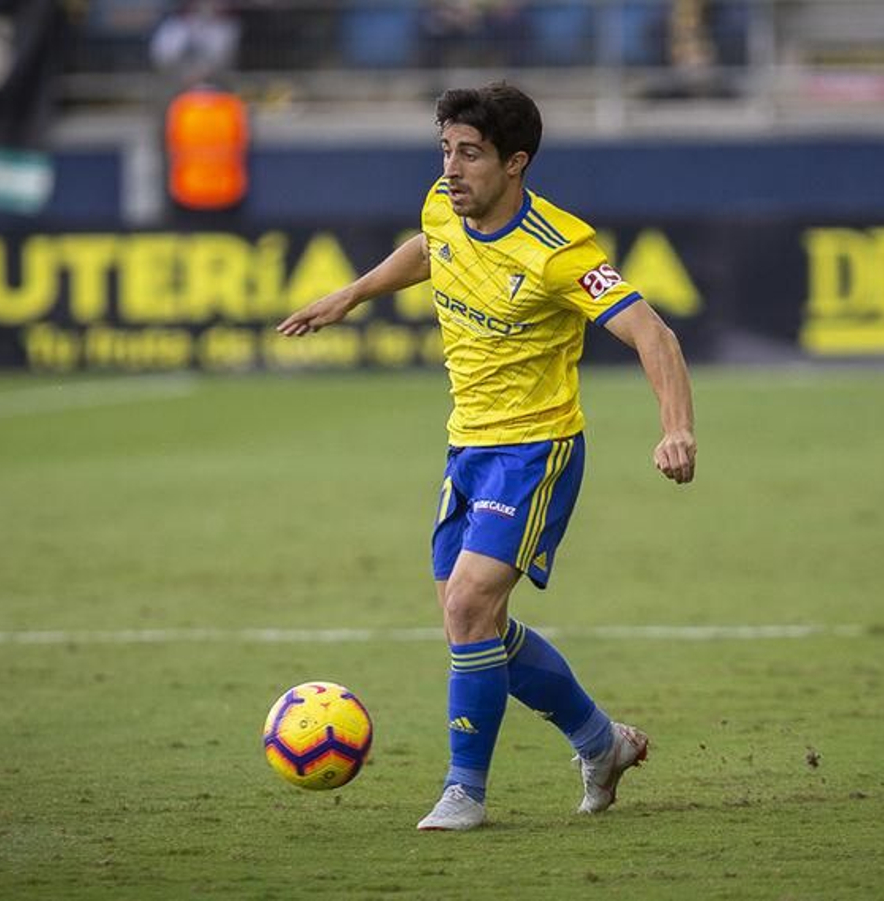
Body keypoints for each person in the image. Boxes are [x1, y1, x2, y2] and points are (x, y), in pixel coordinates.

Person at [276, 82, 697, 830]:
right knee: (472, 624)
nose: (451, 169)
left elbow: (653, 334)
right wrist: (354, 293)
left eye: (469, 154)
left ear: (516, 163)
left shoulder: (561, 250)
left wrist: (675, 428)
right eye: (445, 150)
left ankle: (463, 790)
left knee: (470, 605)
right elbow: (430, 247)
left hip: (536, 451)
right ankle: (602, 743)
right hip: (465, 446)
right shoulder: (445, 206)